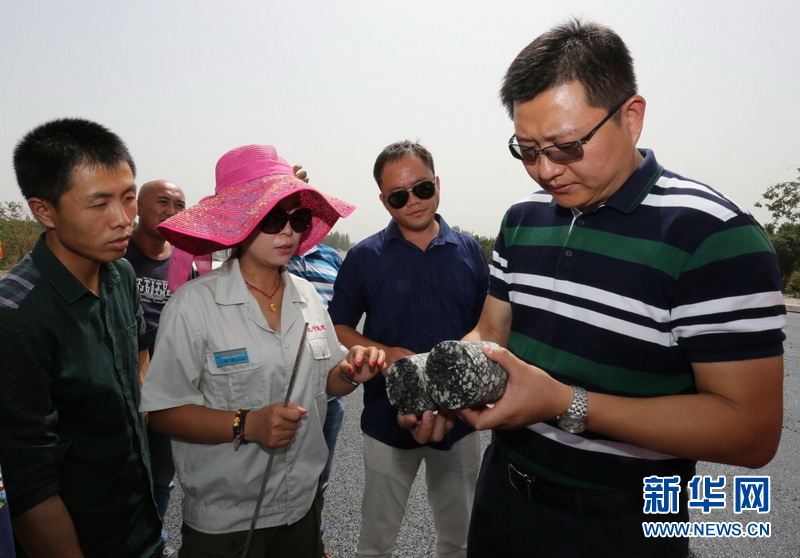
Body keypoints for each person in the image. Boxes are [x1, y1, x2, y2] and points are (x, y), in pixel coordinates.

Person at [411, 20, 786, 558]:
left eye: (565, 146)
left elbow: (750, 432)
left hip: (624, 525)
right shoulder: (522, 220)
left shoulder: (712, 236)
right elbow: (491, 332)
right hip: (502, 501)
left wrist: (567, 403)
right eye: (527, 149)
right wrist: (442, 383)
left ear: (631, 117)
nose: (545, 171)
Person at [139, 144, 386, 558]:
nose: (288, 232)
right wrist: (246, 425)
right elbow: (163, 410)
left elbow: (326, 378)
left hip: (302, 508)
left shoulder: (307, 295)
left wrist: (349, 373)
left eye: (298, 219)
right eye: (273, 219)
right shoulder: (194, 305)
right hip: (226, 523)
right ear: (240, 221)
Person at [0, 118, 164, 557]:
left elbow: (136, 356)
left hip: (141, 523)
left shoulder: (121, 273)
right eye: (99, 204)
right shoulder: (16, 317)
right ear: (44, 210)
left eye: (129, 199)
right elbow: (30, 486)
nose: (123, 219)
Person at [328, 140, 489, 558]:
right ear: (384, 201)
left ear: (437, 183)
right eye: (399, 196)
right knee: (376, 540)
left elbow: (486, 328)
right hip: (386, 416)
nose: (413, 202)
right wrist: (384, 352)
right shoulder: (364, 257)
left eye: (422, 189)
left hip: (460, 422)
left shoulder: (469, 251)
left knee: (460, 538)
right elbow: (340, 324)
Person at [125, 179, 188, 553]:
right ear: (137, 206)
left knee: (162, 476)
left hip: (169, 387)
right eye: (162, 202)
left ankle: (155, 542)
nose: (171, 211)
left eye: (180, 205)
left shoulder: (185, 259)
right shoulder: (117, 252)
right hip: (125, 383)